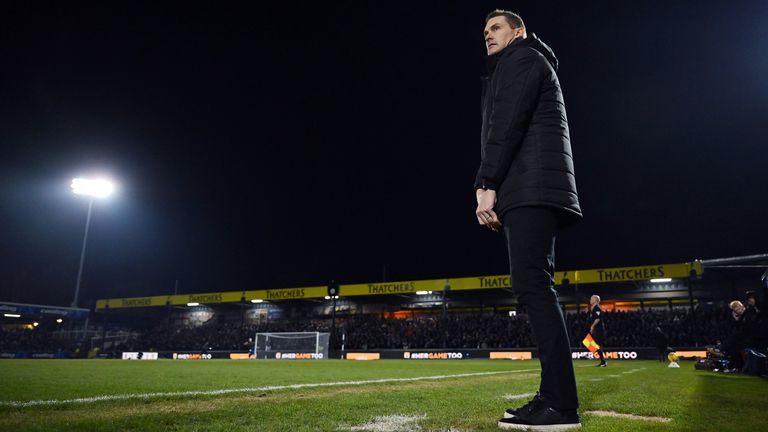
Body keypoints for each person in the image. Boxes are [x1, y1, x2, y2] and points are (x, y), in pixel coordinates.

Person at [474, 9, 582, 431]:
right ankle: (553, 396)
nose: (487, 34)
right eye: (484, 31)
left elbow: (506, 126)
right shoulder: (522, 62)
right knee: (535, 287)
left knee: (534, 288)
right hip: (535, 187)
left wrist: (487, 182)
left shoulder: (521, 59)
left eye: (496, 27)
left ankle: (560, 404)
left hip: (531, 188)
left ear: (518, 31)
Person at [588, 295, 607, 367]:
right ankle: (602, 360)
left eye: (591, 298)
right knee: (590, 343)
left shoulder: (597, 308)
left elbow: (598, 319)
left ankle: (603, 362)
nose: (590, 300)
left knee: (596, 345)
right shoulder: (593, 308)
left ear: (596, 300)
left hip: (599, 329)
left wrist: (592, 326)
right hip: (596, 329)